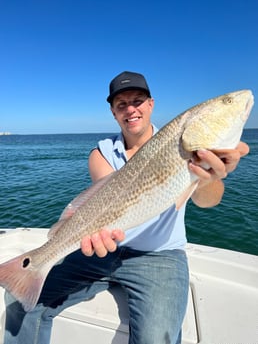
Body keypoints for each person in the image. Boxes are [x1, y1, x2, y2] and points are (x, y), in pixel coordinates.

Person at [3, 71, 249, 344]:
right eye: (122, 104)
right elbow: (105, 204)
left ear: (151, 104)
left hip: (160, 256)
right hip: (101, 252)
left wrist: (209, 177)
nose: (131, 109)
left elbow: (206, 201)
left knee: (156, 339)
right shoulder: (101, 153)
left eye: (138, 100)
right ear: (113, 112)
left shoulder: (181, 146)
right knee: (18, 301)